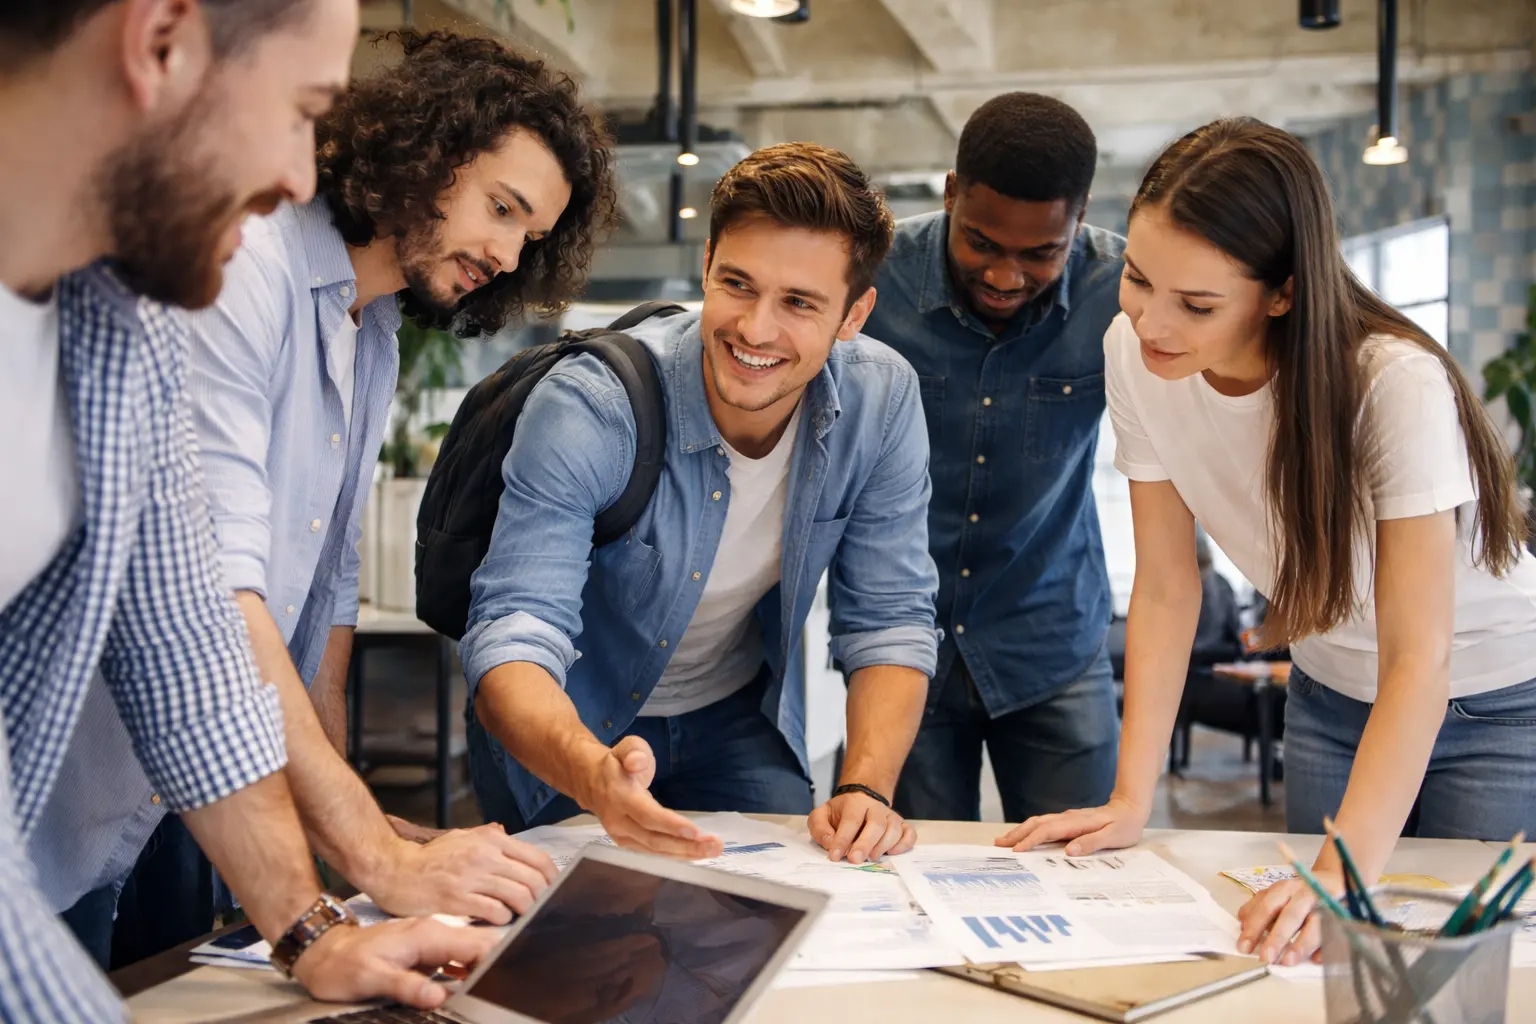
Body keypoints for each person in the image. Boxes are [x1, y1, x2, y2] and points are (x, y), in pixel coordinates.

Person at [36, 28, 616, 969]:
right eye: (500, 208)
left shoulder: (372, 330)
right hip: (70, 789)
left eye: (531, 236)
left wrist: (339, 822)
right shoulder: (244, 265)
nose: (508, 256)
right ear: (422, 150)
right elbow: (213, 598)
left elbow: (323, 595)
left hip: (194, 796)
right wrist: (367, 849)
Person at [998, 117, 1536, 967]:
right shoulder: (1133, 354)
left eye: (1197, 304)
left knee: (1456, 972)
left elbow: (1418, 658)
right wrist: (1132, 797)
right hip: (1329, 696)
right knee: (1313, 963)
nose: (1152, 323)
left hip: (1499, 700)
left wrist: (1340, 875)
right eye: (1138, 279)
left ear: (1282, 292)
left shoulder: (1391, 384)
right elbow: (1170, 589)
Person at [463, 143, 941, 866]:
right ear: (709, 261)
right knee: (576, 943)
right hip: (573, 726)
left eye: (800, 303)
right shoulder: (590, 405)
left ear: (856, 313)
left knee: (786, 913)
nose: (755, 329)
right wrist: (595, 775)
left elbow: (890, 618)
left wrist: (867, 790)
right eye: (738, 285)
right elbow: (514, 636)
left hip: (734, 715)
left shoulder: (882, 399)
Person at [859, 92, 1126, 823]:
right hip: (903, 651)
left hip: (1052, 642)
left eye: (1040, 252)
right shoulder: (872, 281)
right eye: (981, 243)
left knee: (1085, 883)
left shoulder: (1121, 292)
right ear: (950, 194)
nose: (1006, 276)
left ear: (1079, 216)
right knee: (909, 886)